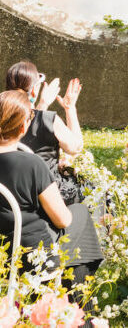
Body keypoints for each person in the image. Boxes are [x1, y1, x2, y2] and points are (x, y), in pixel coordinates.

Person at [0, 90, 102, 295]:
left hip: (4, 249)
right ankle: (80, 311)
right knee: (80, 215)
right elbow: (62, 220)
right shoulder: (31, 164)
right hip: (30, 255)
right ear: (23, 127)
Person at [6, 61, 84, 204]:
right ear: (35, 90)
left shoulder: (3, 116)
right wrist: (70, 108)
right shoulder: (48, 120)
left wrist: (43, 105)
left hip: (8, 193)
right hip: (47, 196)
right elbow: (75, 148)